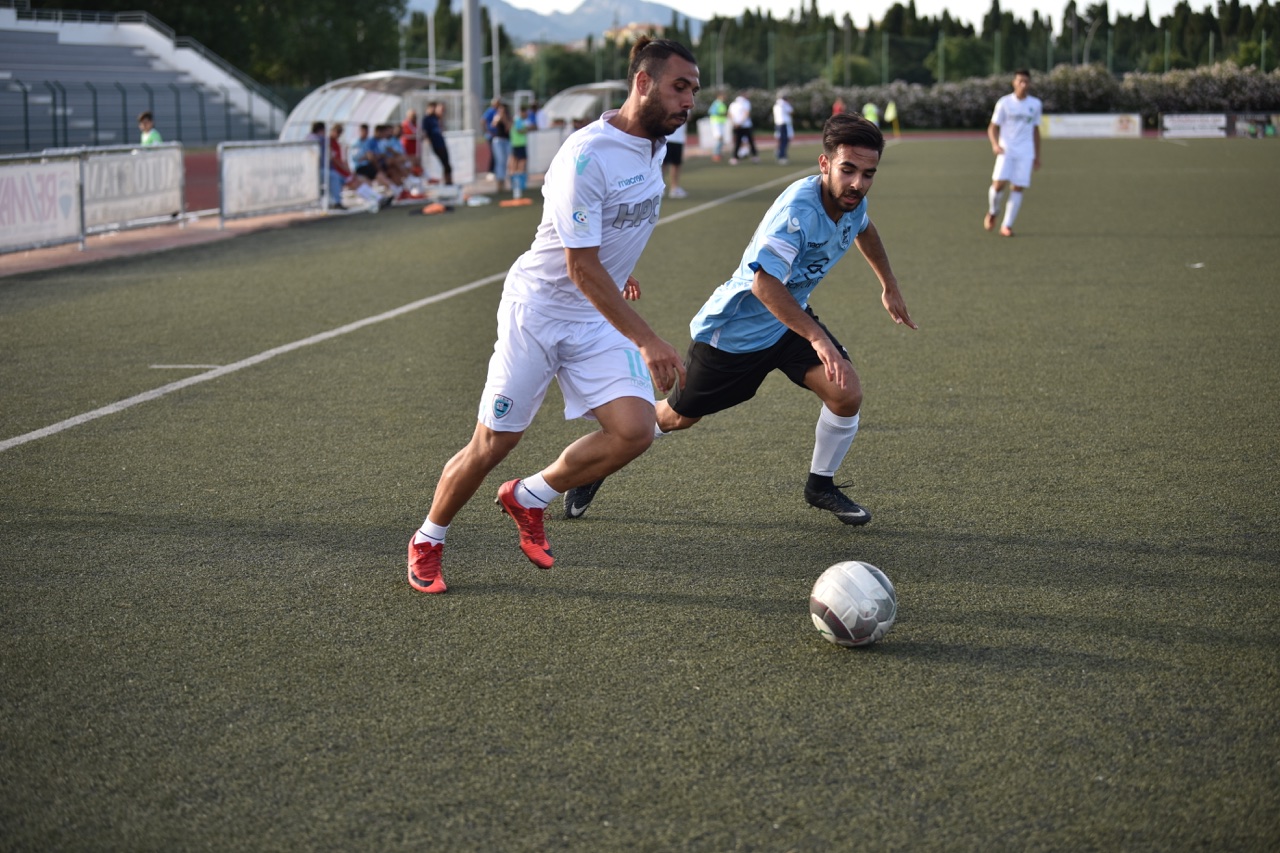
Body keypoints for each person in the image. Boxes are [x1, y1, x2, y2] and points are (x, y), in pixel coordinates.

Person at [406, 36, 701, 594]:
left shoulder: (653, 144)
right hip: (537, 313)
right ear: (643, 83)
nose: (689, 101)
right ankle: (428, 539)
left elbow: (612, 233)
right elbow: (579, 267)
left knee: (635, 431)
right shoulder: (585, 155)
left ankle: (529, 496)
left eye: (693, 90)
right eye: (679, 87)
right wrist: (646, 339)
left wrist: (622, 269)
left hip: (592, 316)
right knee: (493, 444)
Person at [563, 114, 917, 527]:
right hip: (733, 333)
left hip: (787, 323)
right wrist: (819, 340)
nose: (858, 183)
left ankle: (820, 485)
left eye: (868, 174)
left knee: (846, 392)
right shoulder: (796, 214)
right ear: (824, 165)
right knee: (677, 417)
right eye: (848, 170)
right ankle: (596, 464)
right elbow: (764, 287)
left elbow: (864, 228)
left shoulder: (850, 201)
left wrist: (888, 285)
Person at [985, 68, 1042, 238]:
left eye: (1026, 81)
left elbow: (1036, 131)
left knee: (1017, 187)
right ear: (1014, 83)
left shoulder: (1035, 104)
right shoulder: (1004, 103)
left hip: (1026, 152)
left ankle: (1007, 225)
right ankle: (993, 211)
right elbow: (992, 127)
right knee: (998, 185)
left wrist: (1037, 156)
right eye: (1020, 81)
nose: (1023, 85)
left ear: (1030, 83)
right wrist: (995, 145)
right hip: (1006, 149)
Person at [421, 101, 453, 186]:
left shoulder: (436, 118)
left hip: (441, 142)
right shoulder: (426, 119)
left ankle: (448, 181)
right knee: (445, 163)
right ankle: (447, 181)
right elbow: (425, 132)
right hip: (436, 144)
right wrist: (428, 141)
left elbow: (442, 126)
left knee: (447, 163)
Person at [508, 104, 532, 198]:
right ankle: (518, 184)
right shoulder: (518, 120)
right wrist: (527, 129)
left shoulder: (518, 120)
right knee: (520, 163)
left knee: (518, 163)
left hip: (518, 144)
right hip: (518, 144)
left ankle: (516, 184)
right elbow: (519, 131)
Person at [488, 102, 512, 190]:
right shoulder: (496, 116)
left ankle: (504, 180)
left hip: (506, 141)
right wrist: (498, 118)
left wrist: (504, 118)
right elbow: (493, 125)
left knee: (506, 161)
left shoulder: (508, 118)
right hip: (498, 141)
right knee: (500, 160)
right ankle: (500, 181)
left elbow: (508, 128)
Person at [727, 93, 757, 164]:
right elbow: (731, 114)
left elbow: (745, 114)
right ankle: (736, 157)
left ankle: (753, 155)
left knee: (747, 141)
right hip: (742, 126)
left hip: (744, 126)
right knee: (739, 142)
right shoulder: (744, 103)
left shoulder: (735, 104)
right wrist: (737, 123)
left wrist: (737, 123)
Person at [663, 116, 687, 198]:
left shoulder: (686, 105)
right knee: (663, 164)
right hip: (666, 137)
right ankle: (660, 188)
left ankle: (674, 188)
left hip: (678, 139)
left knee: (676, 164)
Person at [772, 93, 794, 165]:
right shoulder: (785, 104)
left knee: (780, 140)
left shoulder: (776, 105)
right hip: (784, 125)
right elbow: (791, 111)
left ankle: (779, 153)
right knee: (784, 141)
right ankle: (782, 156)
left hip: (777, 124)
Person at [707, 91, 729, 161]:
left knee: (721, 139)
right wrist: (722, 114)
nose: (725, 97)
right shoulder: (716, 103)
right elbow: (711, 111)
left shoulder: (721, 104)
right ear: (719, 96)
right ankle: (715, 154)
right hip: (716, 123)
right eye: (723, 96)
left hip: (721, 123)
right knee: (719, 138)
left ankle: (718, 153)